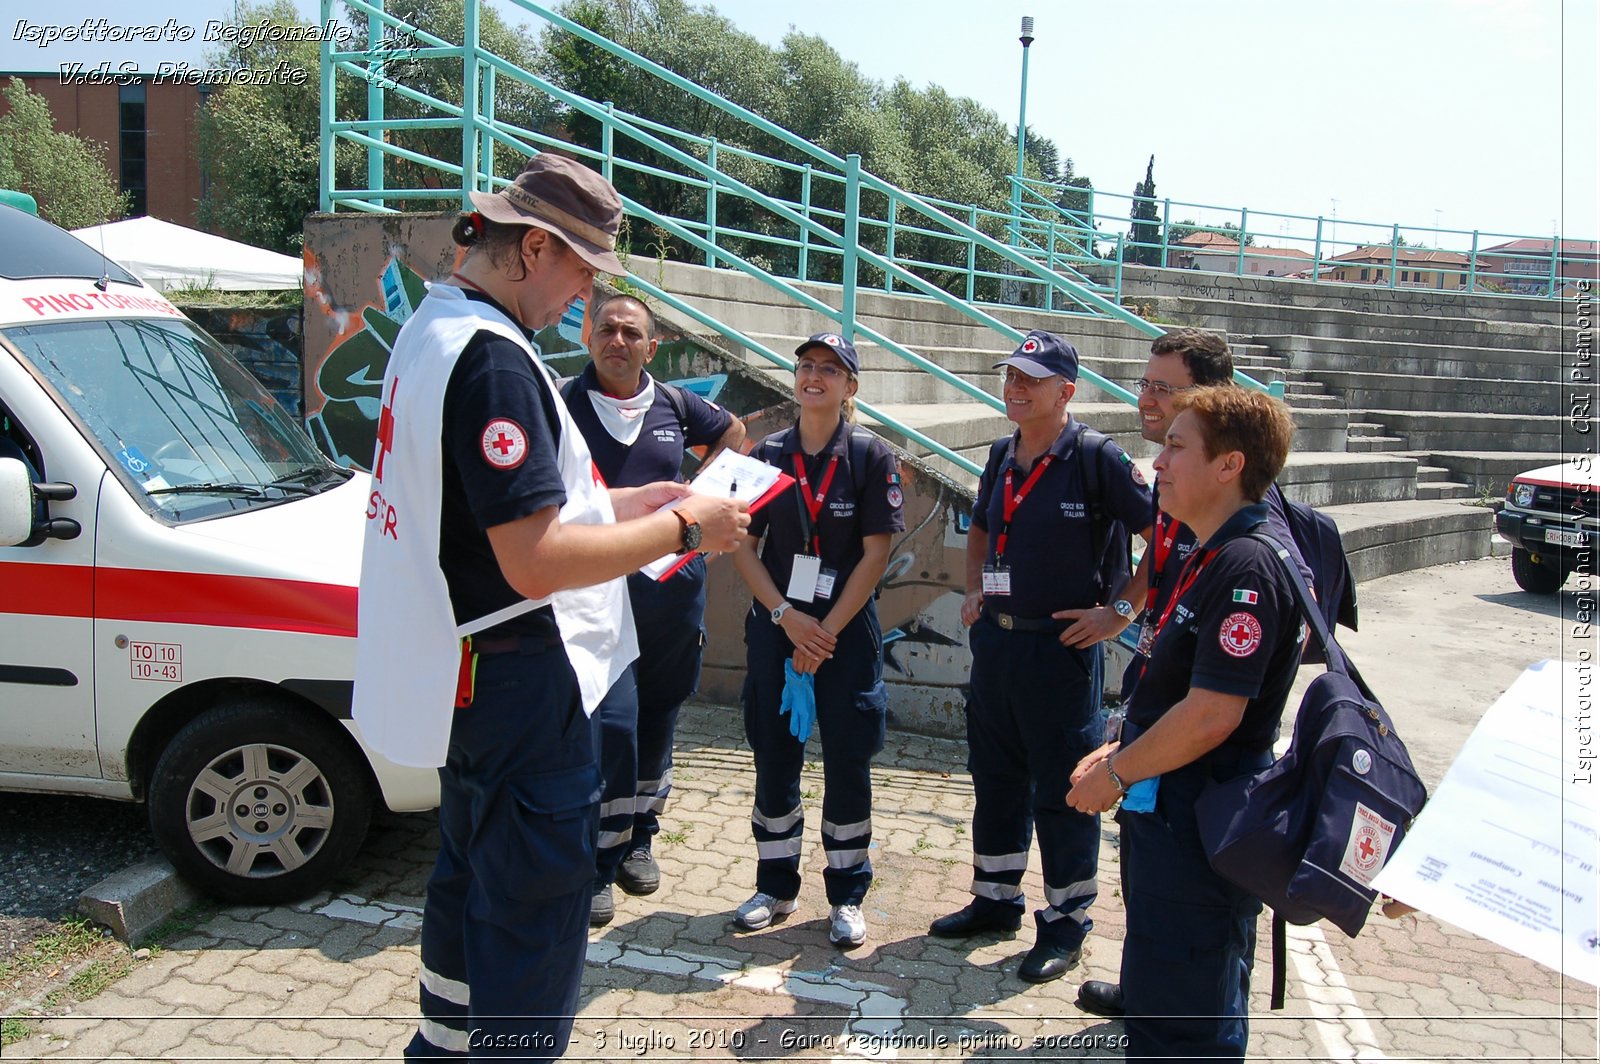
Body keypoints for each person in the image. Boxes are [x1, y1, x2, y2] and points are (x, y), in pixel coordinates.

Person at [352, 154, 749, 1060]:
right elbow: (532, 560)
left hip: (473, 672)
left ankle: (445, 1047)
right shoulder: (493, 359)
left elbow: (498, 512)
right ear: (534, 248)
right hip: (527, 685)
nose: (583, 297)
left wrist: (626, 504)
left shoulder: (434, 330)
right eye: (581, 271)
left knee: (469, 884)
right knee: (532, 911)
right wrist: (686, 525)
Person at [1072, 328, 1315, 1019]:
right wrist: (1128, 745)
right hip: (1168, 791)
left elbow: (1213, 713)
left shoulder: (1246, 567)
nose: (1159, 461)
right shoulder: (1214, 542)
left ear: (1228, 464)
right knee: (1166, 969)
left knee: (1192, 1005)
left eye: (1177, 445)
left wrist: (1116, 773)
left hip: (1199, 807)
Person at [929, 330, 1152, 984]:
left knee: (1062, 790)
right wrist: (973, 589)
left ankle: (1065, 923)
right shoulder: (1001, 454)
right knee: (994, 779)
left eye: (1031, 379)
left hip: (1061, 653)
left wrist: (1120, 612)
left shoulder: (1096, 458)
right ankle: (994, 902)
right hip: (998, 643)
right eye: (1011, 376)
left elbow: (1164, 540)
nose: (1015, 388)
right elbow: (981, 530)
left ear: (1067, 392)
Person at [561, 292, 747, 925]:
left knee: (659, 714)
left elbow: (733, 434)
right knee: (610, 723)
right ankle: (596, 863)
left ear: (651, 345)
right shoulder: (560, 401)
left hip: (669, 592)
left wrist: (698, 506)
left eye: (631, 333)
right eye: (607, 329)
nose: (618, 341)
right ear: (589, 337)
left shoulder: (674, 404)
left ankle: (640, 836)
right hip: (592, 591)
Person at [729, 331, 904, 948]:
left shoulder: (869, 455)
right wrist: (785, 619)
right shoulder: (767, 454)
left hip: (845, 633)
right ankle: (774, 886)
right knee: (773, 753)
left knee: (848, 760)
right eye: (806, 366)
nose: (814, 377)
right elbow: (742, 547)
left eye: (830, 370)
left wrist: (823, 632)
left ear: (849, 387)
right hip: (778, 629)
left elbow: (876, 554)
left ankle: (847, 893)